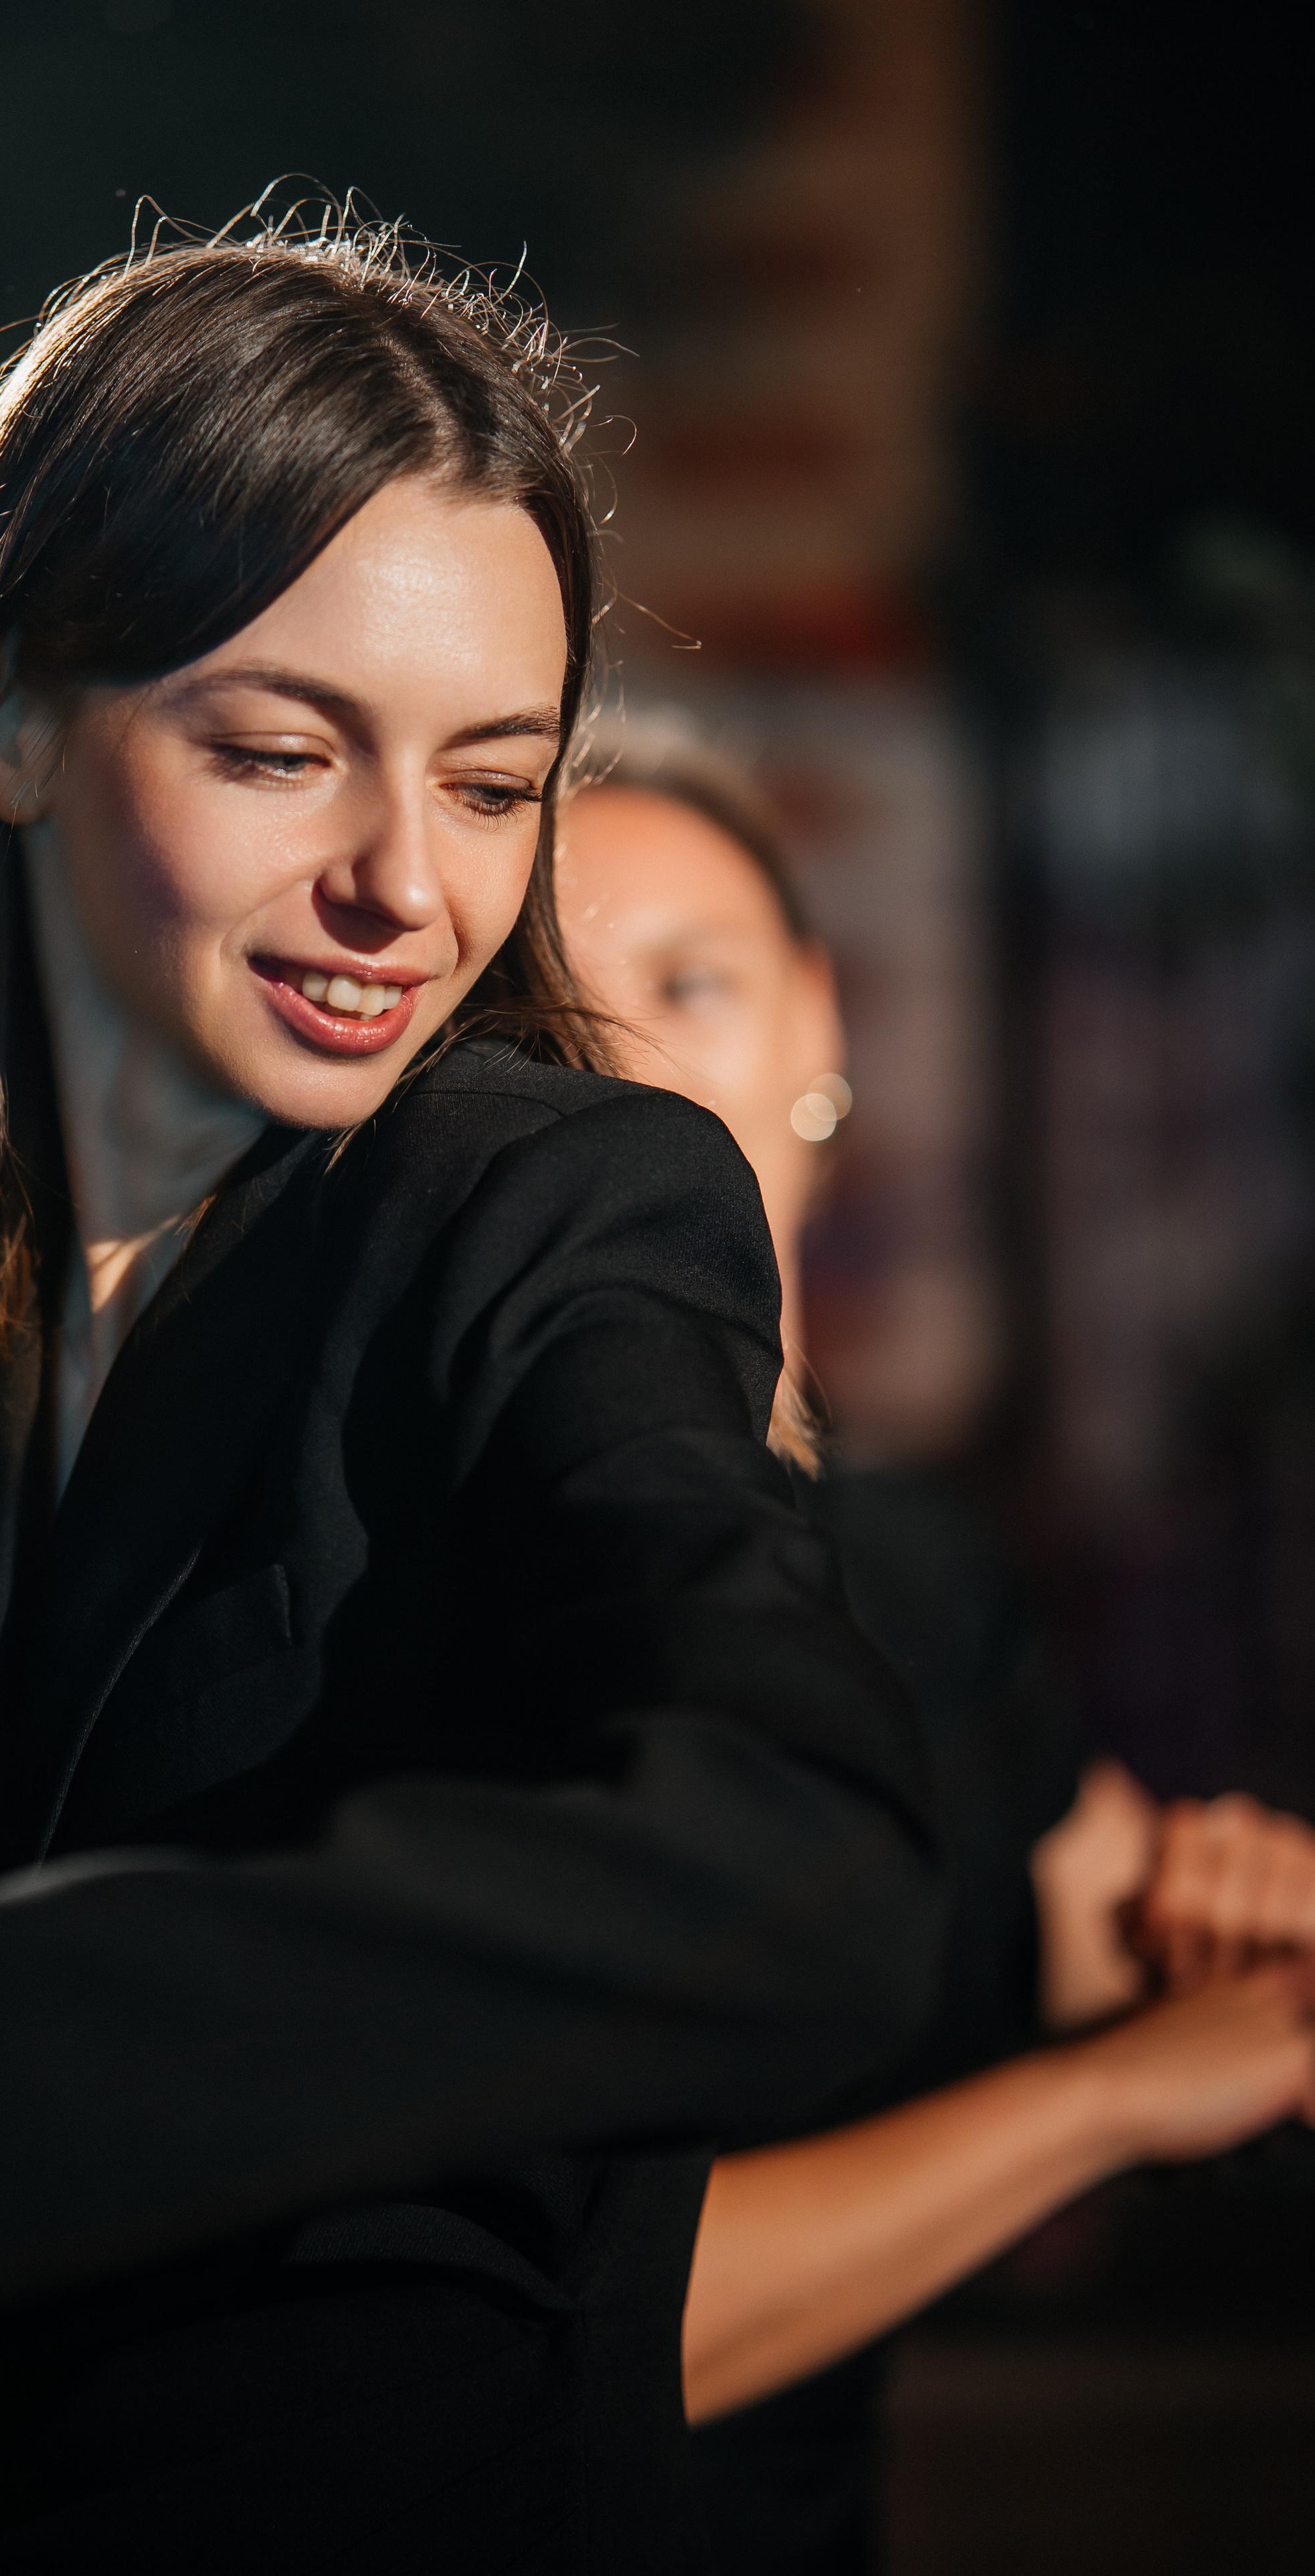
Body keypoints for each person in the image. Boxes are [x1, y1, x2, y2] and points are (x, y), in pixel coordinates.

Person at [0, 213, 956, 2575]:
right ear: (11, 721)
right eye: (282, 751)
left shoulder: (556, 1208)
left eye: (494, 783)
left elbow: (804, 1857)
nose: (404, 884)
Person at [556, 734, 1315, 2571]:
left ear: (815, 1021)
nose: (632, 1073)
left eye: (691, 985)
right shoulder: (431, 1595)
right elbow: (515, 2339)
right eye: (549, 1024)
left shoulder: (910, 1574)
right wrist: (1102, 2100)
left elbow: (1107, 1913)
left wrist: (1239, 1918)